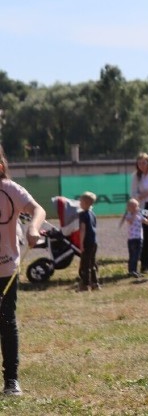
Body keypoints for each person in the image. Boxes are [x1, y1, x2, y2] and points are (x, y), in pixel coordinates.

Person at [0, 144, 46, 396]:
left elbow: (38, 210)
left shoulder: (10, 190)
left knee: (6, 321)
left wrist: (33, 229)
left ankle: (11, 380)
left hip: (6, 268)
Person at [117, 198, 148, 278]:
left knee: (137, 255)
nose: (136, 208)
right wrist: (135, 213)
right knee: (132, 255)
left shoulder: (139, 215)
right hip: (132, 239)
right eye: (133, 207)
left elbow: (147, 222)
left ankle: (134, 270)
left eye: (136, 206)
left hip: (139, 238)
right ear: (129, 208)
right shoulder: (128, 215)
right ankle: (132, 270)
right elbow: (130, 221)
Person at [77, 191, 99, 292]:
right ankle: (95, 283)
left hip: (86, 242)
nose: (79, 203)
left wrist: (81, 243)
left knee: (85, 264)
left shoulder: (83, 214)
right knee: (92, 263)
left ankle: (85, 285)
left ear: (85, 203)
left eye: (80, 201)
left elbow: (83, 229)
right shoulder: (93, 214)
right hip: (94, 241)